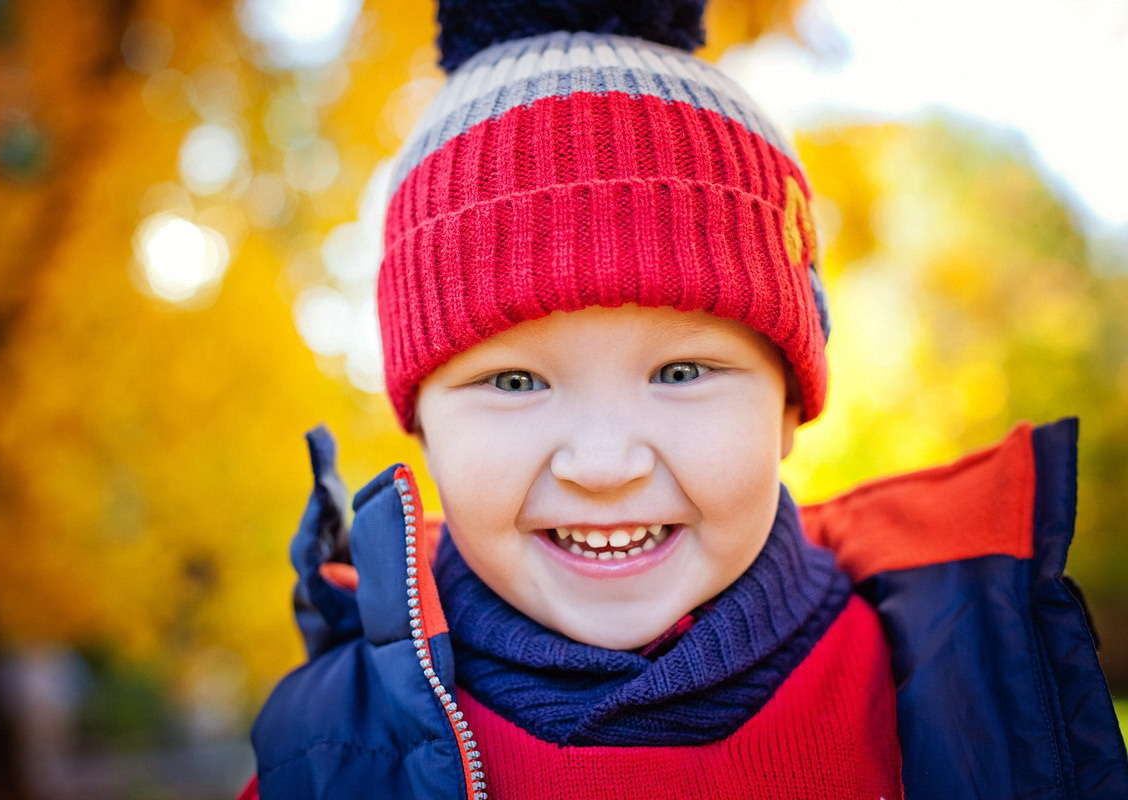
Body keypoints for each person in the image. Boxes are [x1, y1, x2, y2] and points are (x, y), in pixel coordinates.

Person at [242, 1, 1128, 798]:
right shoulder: (330, 755)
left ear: (789, 407)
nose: (604, 465)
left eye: (681, 372)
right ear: (424, 428)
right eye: (514, 382)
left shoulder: (970, 700)